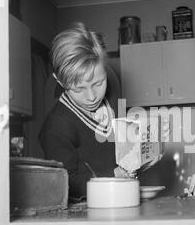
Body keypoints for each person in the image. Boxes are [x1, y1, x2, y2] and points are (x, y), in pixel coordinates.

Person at [39, 22, 138, 201]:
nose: (92, 96)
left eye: (98, 83)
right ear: (60, 82)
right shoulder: (57, 126)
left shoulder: (112, 98)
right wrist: (113, 175)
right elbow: (64, 183)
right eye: (78, 89)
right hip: (85, 212)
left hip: (119, 199)